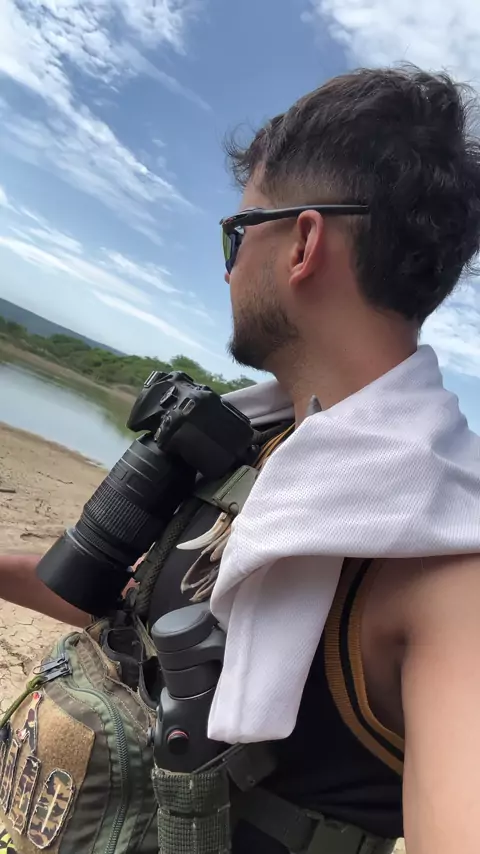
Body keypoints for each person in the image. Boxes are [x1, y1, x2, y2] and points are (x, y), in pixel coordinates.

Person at [3, 65, 480, 854]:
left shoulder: (446, 567)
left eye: (237, 232)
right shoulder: (256, 449)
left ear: (303, 243)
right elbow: (134, 626)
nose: (227, 267)